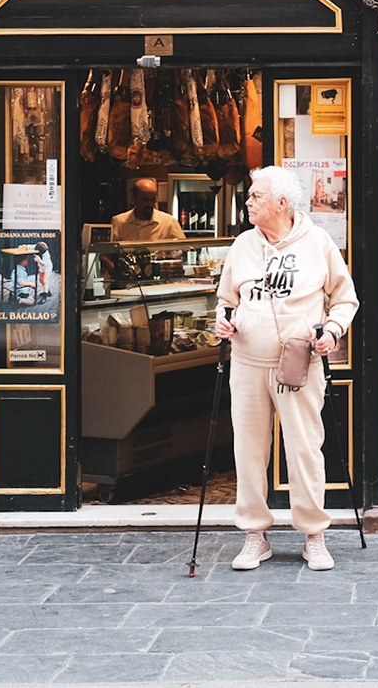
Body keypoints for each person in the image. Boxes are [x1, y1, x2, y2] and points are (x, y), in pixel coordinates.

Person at [213, 164, 358, 572]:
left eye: (255, 196)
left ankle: (314, 535)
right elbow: (226, 299)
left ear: (280, 202)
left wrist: (332, 330)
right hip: (246, 363)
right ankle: (255, 536)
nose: (248, 201)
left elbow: (345, 298)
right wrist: (225, 318)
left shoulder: (318, 242)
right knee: (248, 451)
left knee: (304, 449)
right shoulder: (242, 244)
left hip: (298, 365)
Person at [111, 177, 187, 243]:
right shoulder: (119, 222)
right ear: (134, 198)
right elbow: (107, 255)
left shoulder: (169, 222)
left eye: (153, 199)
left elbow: (184, 250)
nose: (150, 204)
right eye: (145, 200)